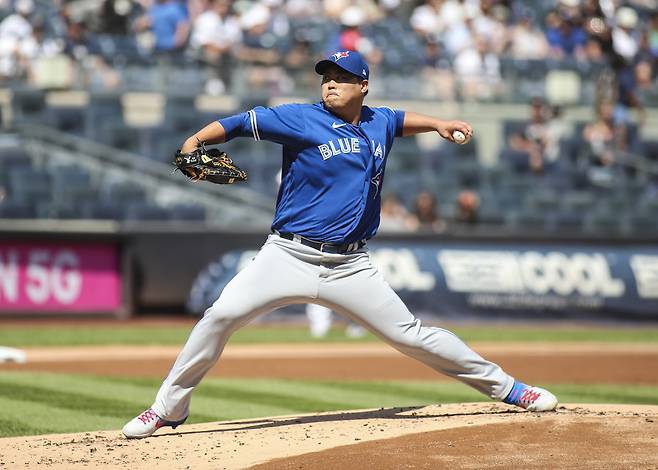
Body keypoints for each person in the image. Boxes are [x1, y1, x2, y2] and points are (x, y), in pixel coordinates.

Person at [122, 50, 558, 439]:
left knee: (412, 336)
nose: (329, 82)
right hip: (288, 254)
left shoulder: (379, 120)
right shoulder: (300, 117)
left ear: (362, 85)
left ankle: (511, 389)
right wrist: (195, 142)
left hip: (350, 266)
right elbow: (238, 123)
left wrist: (440, 123)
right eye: (325, 75)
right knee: (220, 316)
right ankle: (167, 409)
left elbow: (401, 120)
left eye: (341, 76)